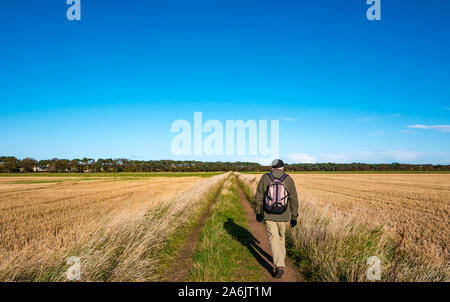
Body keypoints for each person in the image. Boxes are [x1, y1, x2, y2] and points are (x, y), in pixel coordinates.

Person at [254, 159, 299, 278]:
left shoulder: (265, 177)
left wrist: (258, 212)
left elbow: (258, 195)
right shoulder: (288, 179)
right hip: (284, 215)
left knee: (273, 238)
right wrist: (294, 216)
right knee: (281, 238)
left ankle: (279, 264)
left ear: (272, 167)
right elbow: (294, 199)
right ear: (282, 167)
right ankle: (280, 264)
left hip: (269, 214)